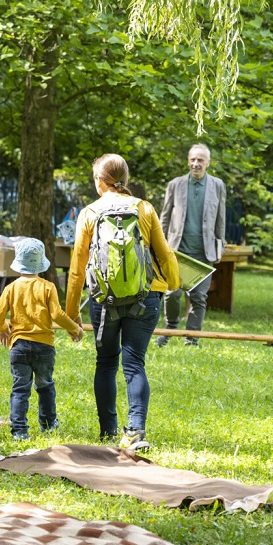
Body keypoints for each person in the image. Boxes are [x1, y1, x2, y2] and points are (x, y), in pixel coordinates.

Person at [65, 154, 179, 451]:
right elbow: (164, 253)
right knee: (134, 364)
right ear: (125, 180)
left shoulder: (89, 212)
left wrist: (70, 313)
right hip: (147, 295)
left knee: (105, 364)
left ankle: (107, 432)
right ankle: (137, 431)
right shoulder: (144, 208)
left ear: (99, 182)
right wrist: (173, 285)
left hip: (104, 301)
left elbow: (77, 268)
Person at [0, 238, 83, 440]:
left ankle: (19, 431)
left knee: (20, 389)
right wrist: (75, 328)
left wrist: (3, 329)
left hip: (19, 347)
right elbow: (58, 315)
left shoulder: (11, 288)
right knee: (45, 386)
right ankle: (48, 424)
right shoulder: (48, 287)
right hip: (44, 347)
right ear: (41, 263)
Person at [156, 143, 226, 346]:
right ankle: (169, 329)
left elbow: (220, 219)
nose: (196, 164)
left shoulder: (217, 186)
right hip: (176, 251)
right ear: (188, 160)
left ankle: (192, 338)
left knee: (198, 297)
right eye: (193, 159)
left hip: (204, 252)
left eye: (200, 160)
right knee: (171, 294)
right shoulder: (175, 185)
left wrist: (220, 247)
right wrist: (160, 246)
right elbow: (165, 217)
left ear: (208, 163)